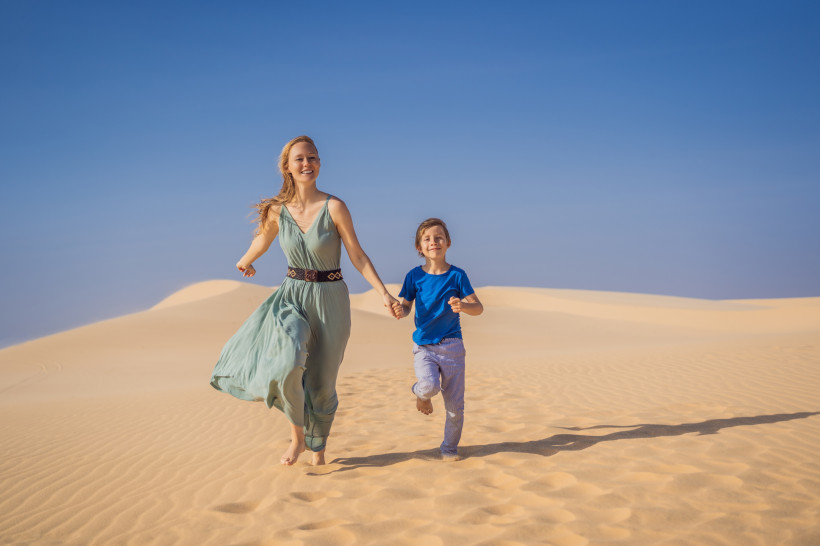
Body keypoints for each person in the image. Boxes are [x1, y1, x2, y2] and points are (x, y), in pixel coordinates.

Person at [210, 135, 399, 466]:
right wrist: (245, 260)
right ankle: (297, 438)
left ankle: (318, 448)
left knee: (322, 383)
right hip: (292, 296)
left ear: (319, 164)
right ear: (287, 167)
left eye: (312, 158)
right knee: (288, 361)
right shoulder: (276, 211)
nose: (307, 163)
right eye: (299, 159)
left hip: (331, 298)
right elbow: (261, 240)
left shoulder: (335, 207)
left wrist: (383, 293)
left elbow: (357, 254)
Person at [392, 218, 483, 461]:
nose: (434, 242)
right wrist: (401, 310)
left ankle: (449, 449)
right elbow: (407, 305)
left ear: (448, 243)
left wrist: (462, 306)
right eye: (427, 239)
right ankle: (420, 394)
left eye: (439, 237)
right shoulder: (414, 276)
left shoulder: (457, 275)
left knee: (455, 410)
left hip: (453, 346)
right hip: (424, 346)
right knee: (429, 386)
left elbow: (478, 308)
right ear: (419, 248)